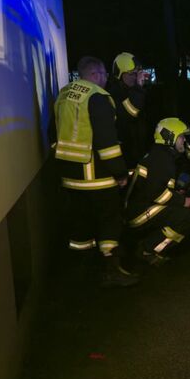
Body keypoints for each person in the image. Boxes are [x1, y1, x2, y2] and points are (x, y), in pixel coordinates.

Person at [53, 56, 138, 287]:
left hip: (69, 177)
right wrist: (120, 172)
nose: (105, 79)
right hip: (97, 178)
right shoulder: (97, 97)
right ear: (96, 74)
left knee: (80, 225)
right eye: (103, 75)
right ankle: (111, 271)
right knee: (110, 222)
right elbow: (107, 142)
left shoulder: (63, 94)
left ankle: (82, 273)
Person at [125, 118, 190, 265]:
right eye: (182, 136)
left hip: (137, 208)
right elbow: (156, 193)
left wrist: (177, 194)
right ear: (170, 137)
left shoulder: (160, 154)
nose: (184, 140)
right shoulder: (162, 158)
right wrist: (183, 201)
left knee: (178, 211)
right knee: (186, 217)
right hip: (139, 214)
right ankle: (147, 249)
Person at [106, 52, 150, 174]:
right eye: (132, 74)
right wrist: (140, 88)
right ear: (120, 75)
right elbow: (131, 112)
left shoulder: (134, 91)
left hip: (137, 151)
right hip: (125, 155)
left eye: (137, 73)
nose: (135, 78)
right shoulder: (115, 93)